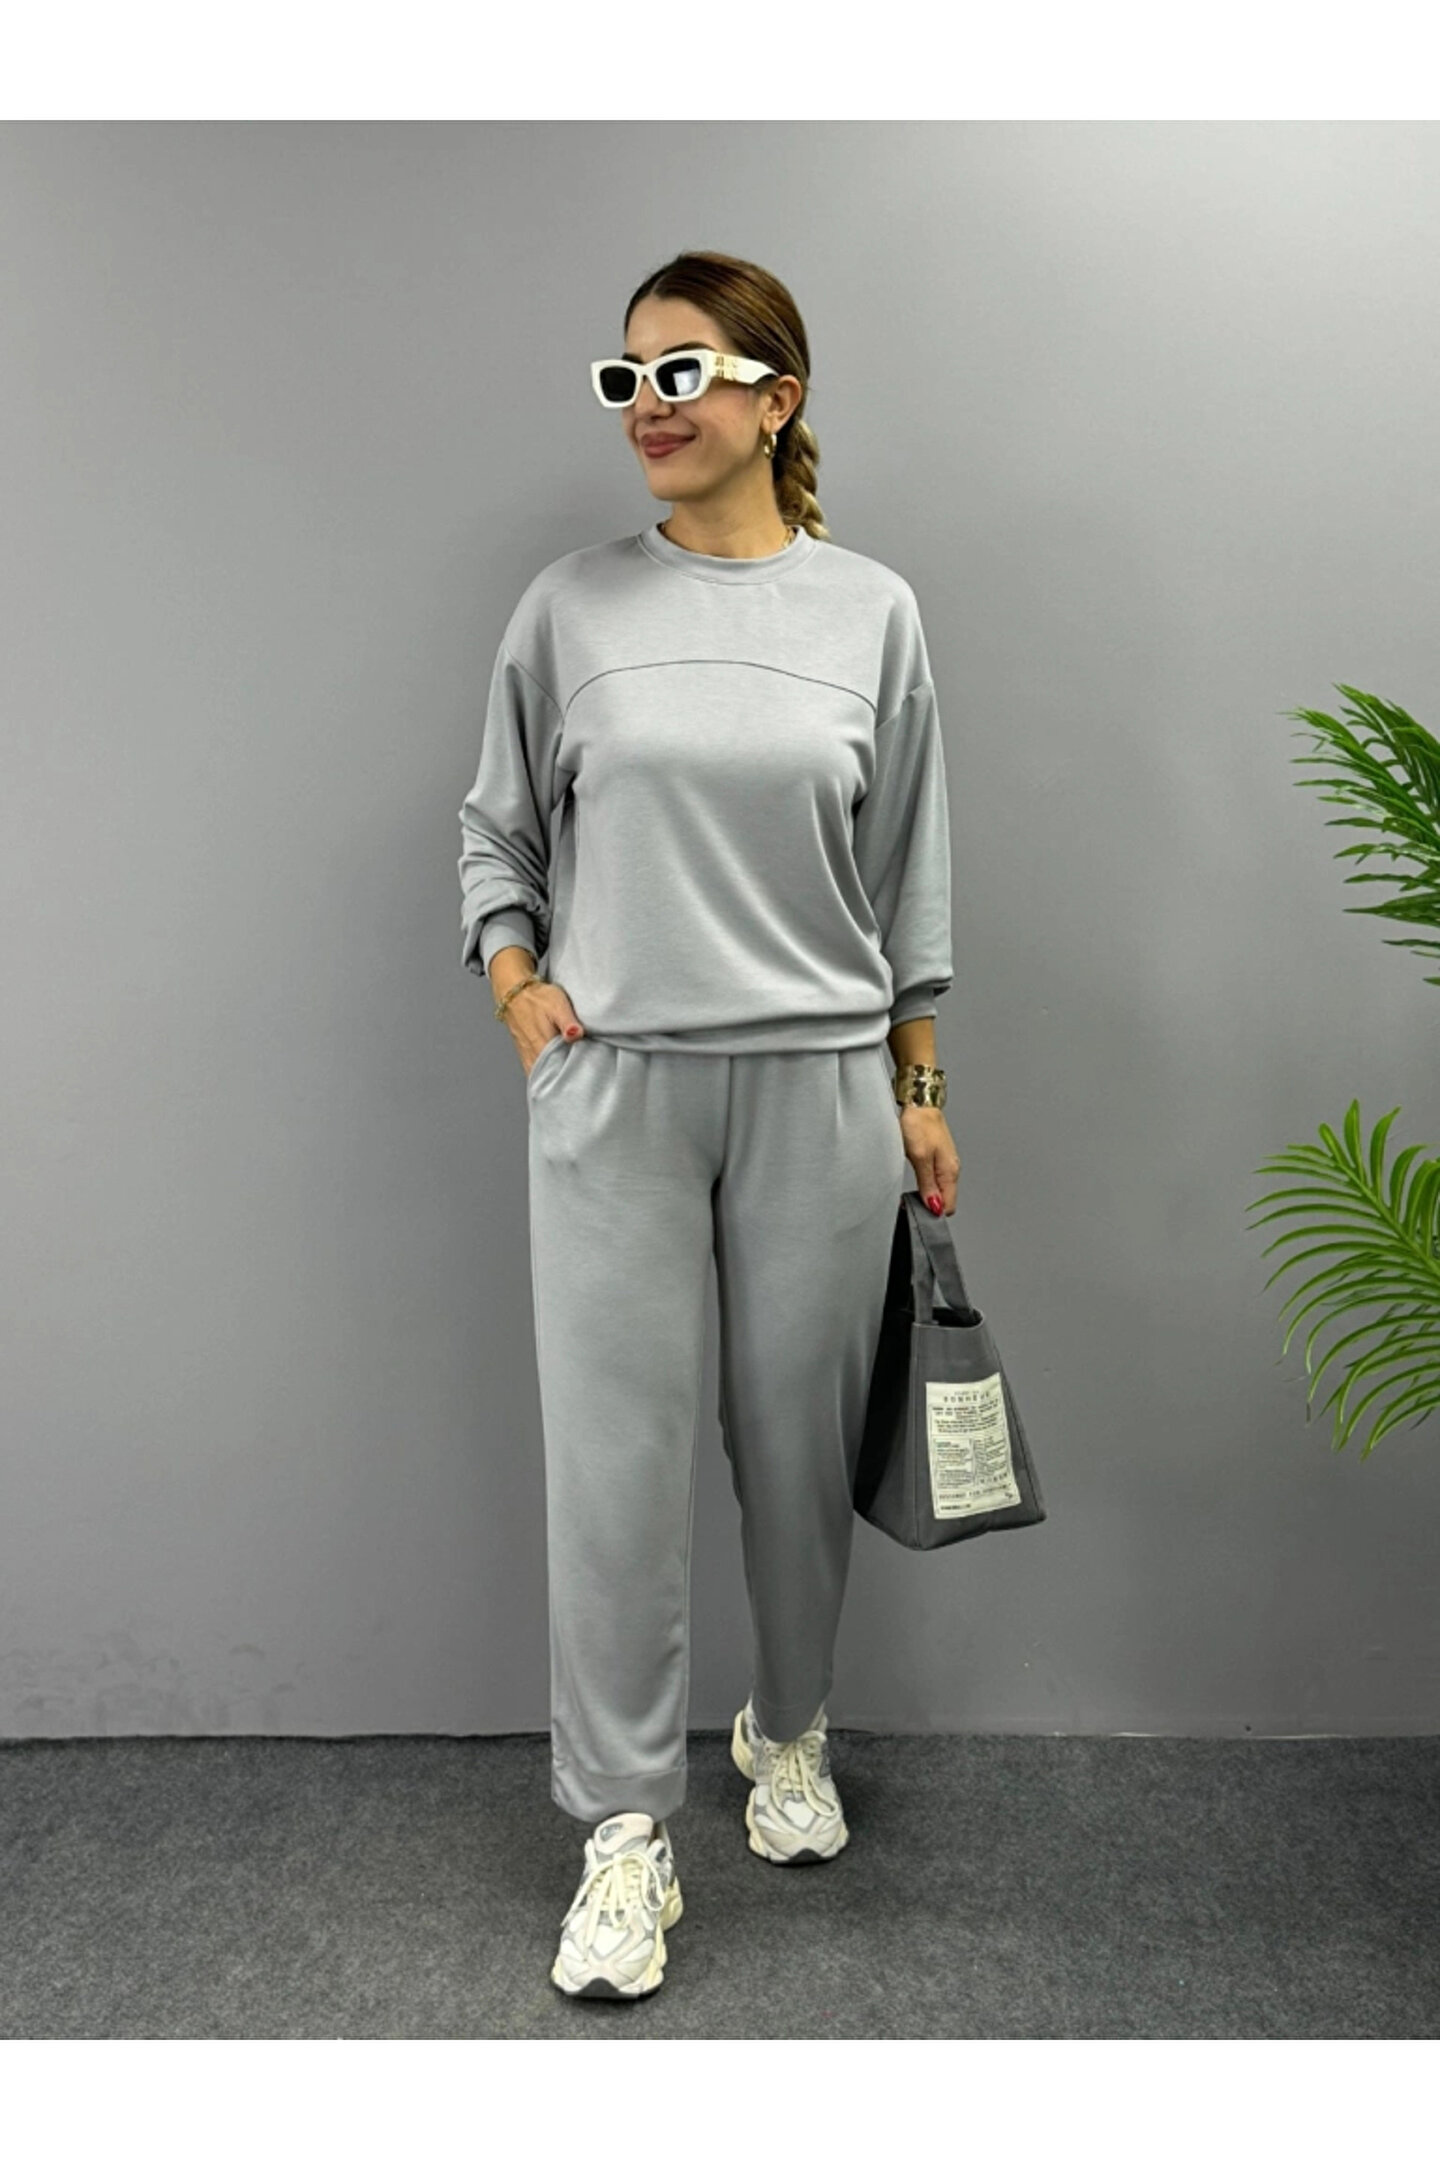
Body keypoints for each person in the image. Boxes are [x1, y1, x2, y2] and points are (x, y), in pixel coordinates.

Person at [457, 249, 960, 2001]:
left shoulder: (873, 614)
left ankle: (788, 1729)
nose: (647, 407)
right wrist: (518, 987)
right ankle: (622, 1831)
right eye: (626, 379)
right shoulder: (570, 609)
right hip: (619, 1092)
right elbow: (495, 831)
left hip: (824, 1084)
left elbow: (909, 875)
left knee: (796, 1456)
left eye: (681, 371)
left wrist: (920, 1093)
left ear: (775, 395)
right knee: (612, 1466)